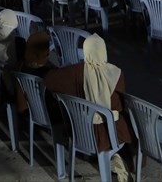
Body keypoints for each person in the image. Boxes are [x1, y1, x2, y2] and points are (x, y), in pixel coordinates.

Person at [45, 34, 135, 181]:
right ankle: (119, 159)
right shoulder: (116, 72)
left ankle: (112, 158)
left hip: (80, 133)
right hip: (109, 135)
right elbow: (119, 105)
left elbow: (49, 80)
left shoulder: (76, 71)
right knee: (126, 120)